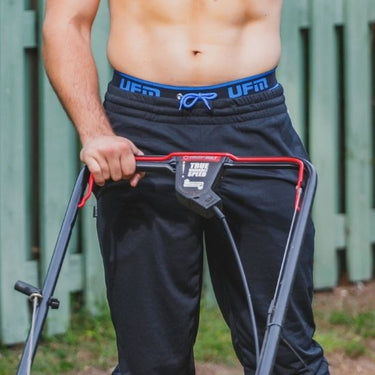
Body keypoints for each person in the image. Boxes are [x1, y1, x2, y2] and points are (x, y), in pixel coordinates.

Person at [42, 1, 329, 374]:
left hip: (254, 123)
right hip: (142, 129)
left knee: (286, 354)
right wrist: (96, 132)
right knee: (151, 363)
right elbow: (67, 23)